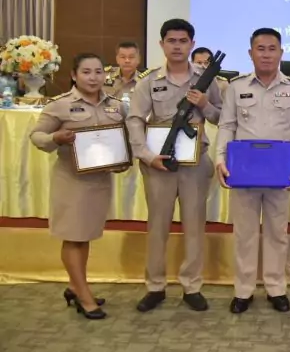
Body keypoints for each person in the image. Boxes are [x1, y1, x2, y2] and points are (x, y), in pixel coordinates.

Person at [126, 18, 223, 313]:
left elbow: (223, 117)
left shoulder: (208, 79)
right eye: (171, 41)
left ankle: (192, 286)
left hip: (195, 164)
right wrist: (146, 155)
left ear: (192, 44)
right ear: (162, 44)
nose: (177, 46)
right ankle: (155, 286)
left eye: (183, 41)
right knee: (158, 227)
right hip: (159, 164)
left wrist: (205, 104)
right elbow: (135, 119)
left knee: (194, 226)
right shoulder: (149, 81)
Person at [216, 28, 290, 314]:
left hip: (279, 171)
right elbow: (227, 125)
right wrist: (220, 159)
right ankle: (243, 290)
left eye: (272, 49)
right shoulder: (236, 87)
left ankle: (275, 288)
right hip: (243, 171)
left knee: (276, 233)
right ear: (250, 53)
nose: (266, 54)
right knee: (244, 233)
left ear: (281, 53)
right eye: (260, 48)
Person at [29, 53, 128, 319]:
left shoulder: (116, 106)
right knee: (73, 237)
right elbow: (36, 136)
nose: (93, 77)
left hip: (100, 182)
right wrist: (56, 137)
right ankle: (84, 297)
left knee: (85, 236)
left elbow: (124, 140)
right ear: (74, 75)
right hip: (71, 181)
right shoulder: (60, 105)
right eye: (86, 72)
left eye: (98, 72)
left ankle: (75, 287)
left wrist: (122, 160)